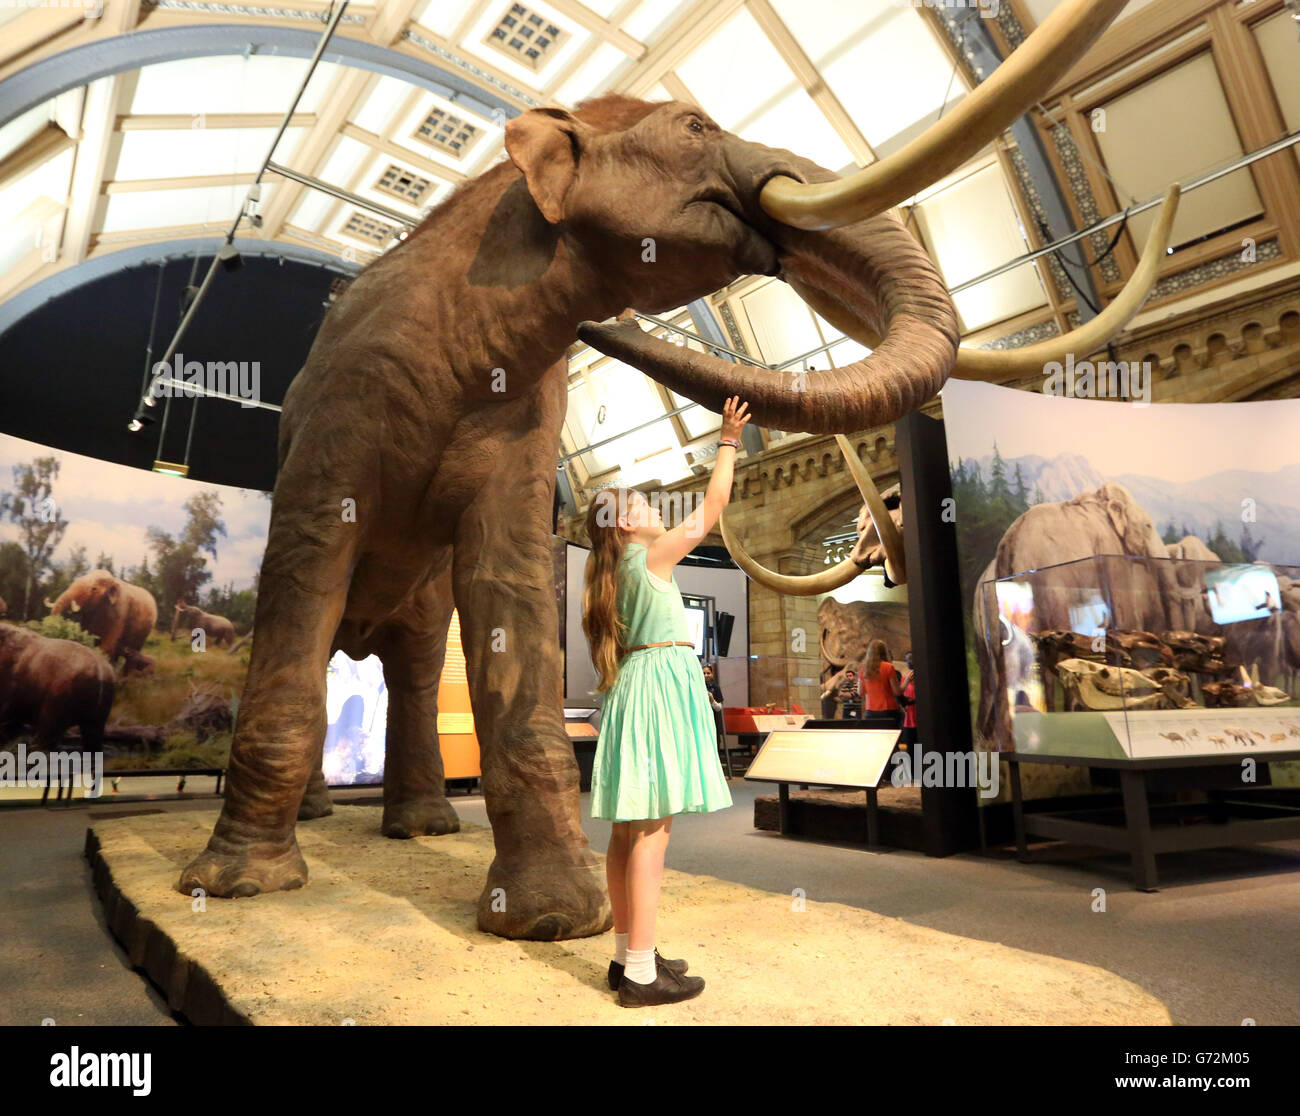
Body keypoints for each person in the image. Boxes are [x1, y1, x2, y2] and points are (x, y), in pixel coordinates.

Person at [581, 396, 749, 1008]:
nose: (655, 509)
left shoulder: (613, 569)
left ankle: (630, 956)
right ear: (625, 524)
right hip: (657, 688)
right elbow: (712, 509)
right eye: (643, 505)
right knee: (652, 833)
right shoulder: (648, 555)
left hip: (635, 686)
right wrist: (727, 439)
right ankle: (644, 978)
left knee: (629, 833)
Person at [860, 639, 902, 726]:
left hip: (870, 712)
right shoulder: (888, 667)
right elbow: (897, 692)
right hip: (888, 710)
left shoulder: (863, 669)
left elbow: (860, 692)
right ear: (884, 652)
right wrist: (907, 681)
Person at [897, 650, 917, 747]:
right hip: (909, 720)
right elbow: (901, 697)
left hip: (920, 719)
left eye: (911, 659)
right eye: (906, 660)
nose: (908, 662)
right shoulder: (905, 679)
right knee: (912, 752)